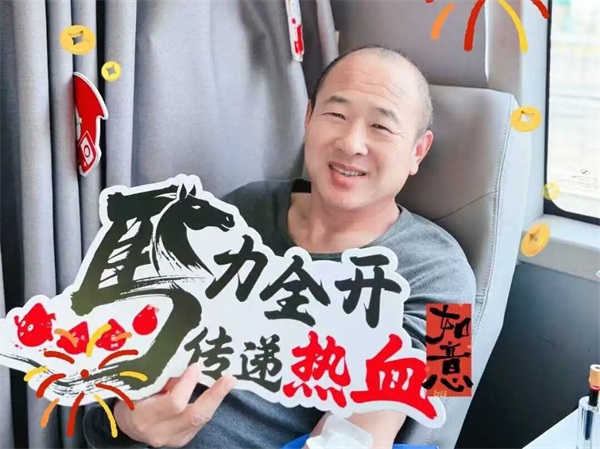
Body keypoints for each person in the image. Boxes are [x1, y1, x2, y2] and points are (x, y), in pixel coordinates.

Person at [82, 44, 476, 449]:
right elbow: (120, 372)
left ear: (417, 151)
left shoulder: (445, 272)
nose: (351, 143)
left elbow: (434, 399)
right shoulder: (239, 208)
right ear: (308, 119)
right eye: (336, 115)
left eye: (381, 127)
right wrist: (126, 422)